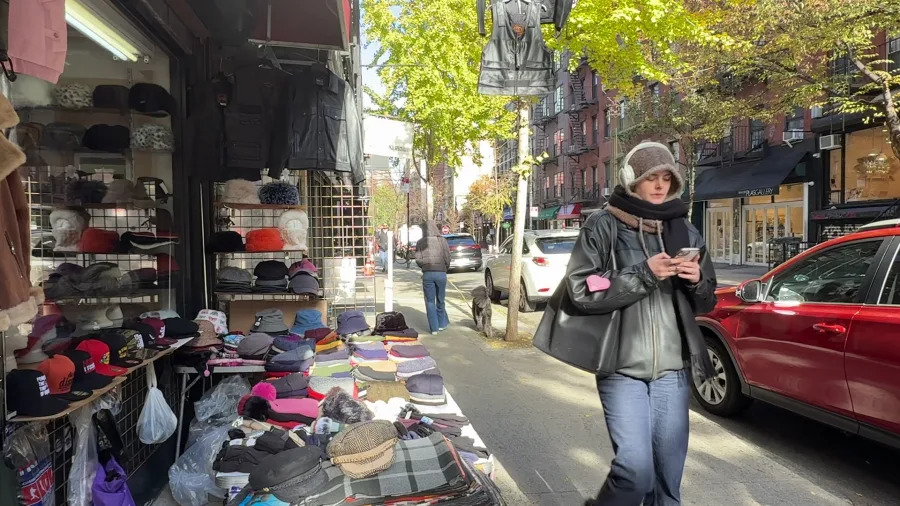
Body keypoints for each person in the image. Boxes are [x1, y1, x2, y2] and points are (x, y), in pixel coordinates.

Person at [564, 142, 717, 506]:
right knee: (634, 471)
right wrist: (642, 274)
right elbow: (582, 288)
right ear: (632, 180)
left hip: (672, 370)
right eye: (651, 177)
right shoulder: (604, 225)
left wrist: (697, 279)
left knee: (667, 482)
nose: (660, 185)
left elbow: (707, 300)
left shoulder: (686, 232)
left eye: (667, 177)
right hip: (621, 368)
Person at [415, 220, 451, 334]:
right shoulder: (442, 240)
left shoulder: (420, 242)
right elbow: (447, 257)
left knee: (430, 301)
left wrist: (424, 266)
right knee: (441, 299)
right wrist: (445, 268)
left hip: (427, 274)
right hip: (441, 273)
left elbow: (418, 260)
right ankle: (441, 324)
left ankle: (434, 328)